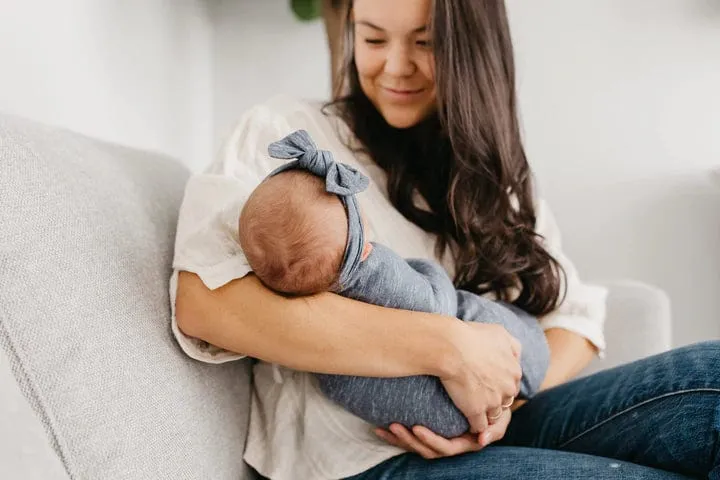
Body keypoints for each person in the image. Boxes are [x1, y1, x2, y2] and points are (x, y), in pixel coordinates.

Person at [170, 0, 720, 479]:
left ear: (472, 50)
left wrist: (500, 398)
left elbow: (573, 317)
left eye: (426, 42)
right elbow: (205, 300)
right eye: (372, 37)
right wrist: (448, 348)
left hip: (504, 425)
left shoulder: (487, 173)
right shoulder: (288, 135)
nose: (395, 66)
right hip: (362, 459)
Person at [238, 128, 549, 438]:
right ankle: (526, 362)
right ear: (359, 240)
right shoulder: (373, 269)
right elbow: (434, 306)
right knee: (466, 309)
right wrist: (430, 270)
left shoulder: (305, 312)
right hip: (461, 398)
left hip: (424, 418)